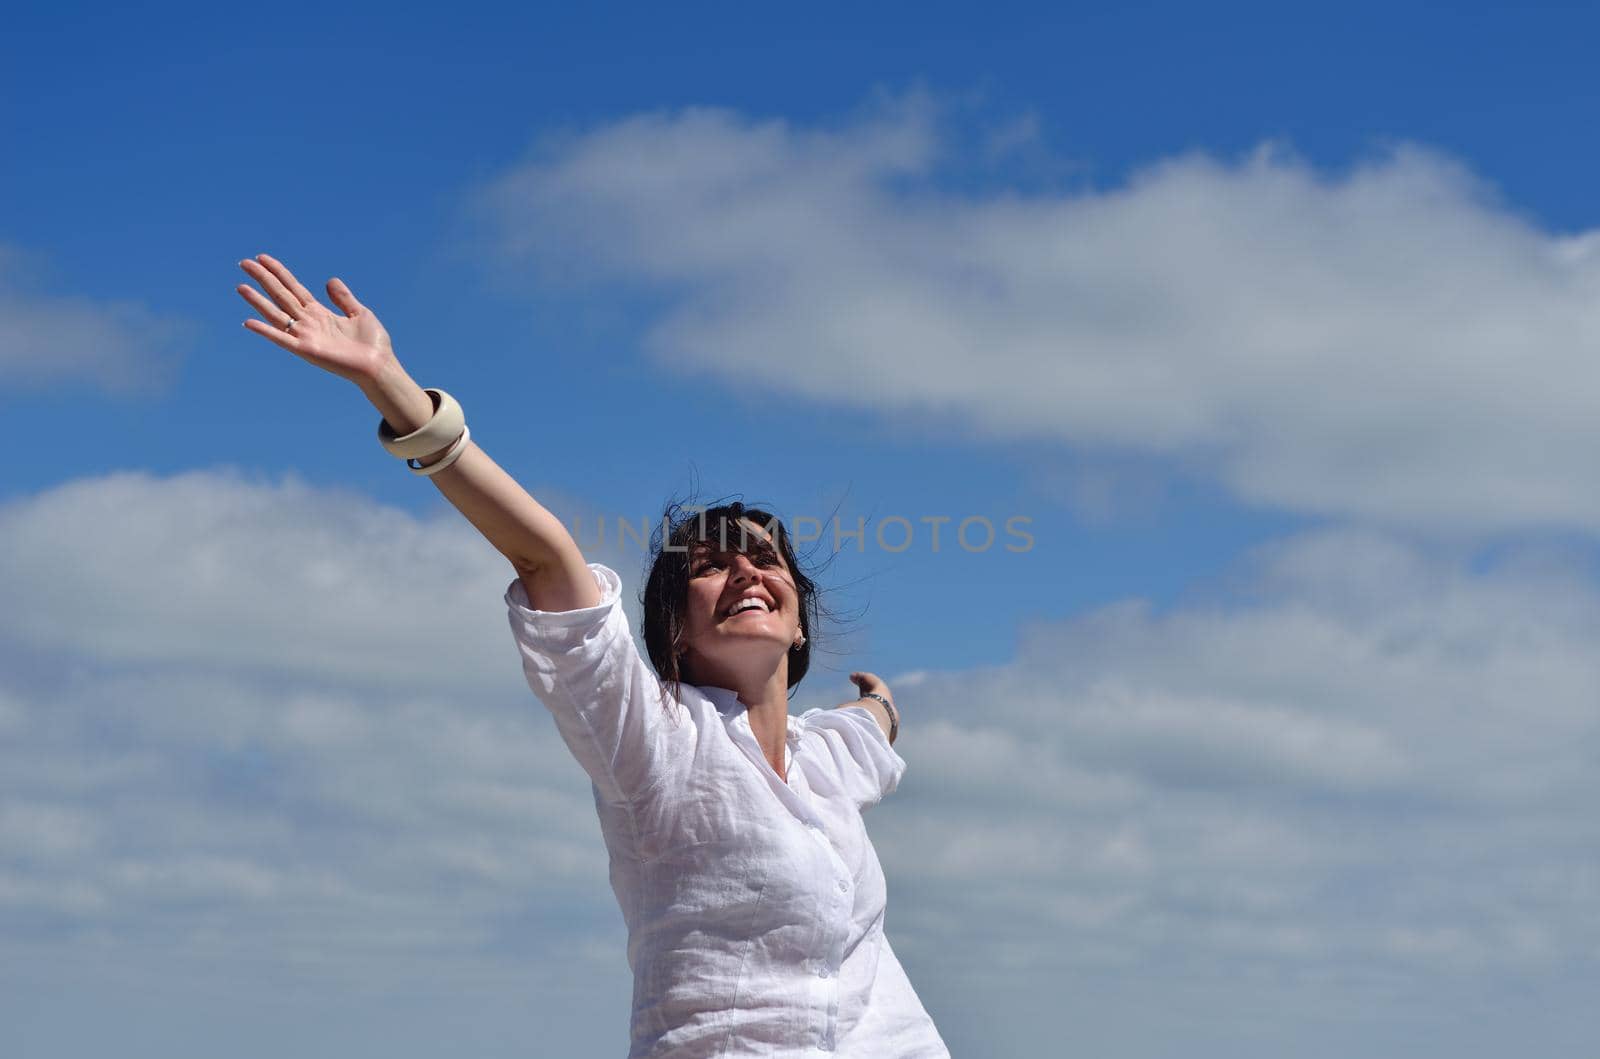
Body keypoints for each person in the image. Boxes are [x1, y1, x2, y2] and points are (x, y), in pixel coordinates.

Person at [235, 253, 951, 1057]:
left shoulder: (829, 759)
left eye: (763, 557)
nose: (745, 569)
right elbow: (543, 558)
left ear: (798, 627)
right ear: (673, 630)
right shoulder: (654, 742)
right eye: (710, 565)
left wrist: (882, 705)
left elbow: (870, 725)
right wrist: (393, 387)